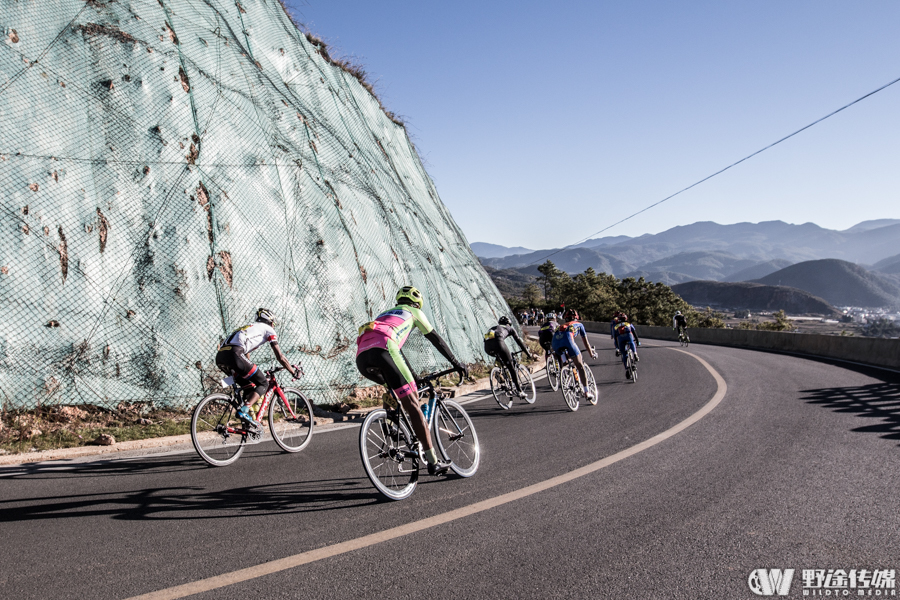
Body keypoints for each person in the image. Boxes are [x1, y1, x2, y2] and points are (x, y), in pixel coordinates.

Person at [355, 286, 466, 476]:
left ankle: (391, 424)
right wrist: (456, 363)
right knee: (413, 404)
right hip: (385, 349)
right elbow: (435, 339)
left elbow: (397, 352)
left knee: (395, 387)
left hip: (362, 356)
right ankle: (433, 462)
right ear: (417, 303)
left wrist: (413, 377)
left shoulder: (384, 314)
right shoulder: (413, 312)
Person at [215, 308, 301, 428]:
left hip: (220, 357)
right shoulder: (268, 329)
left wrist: (250, 366)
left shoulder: (249, 327)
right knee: (263, 383)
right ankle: (243, 411)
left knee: (249, 387)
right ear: (271, 322)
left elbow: (246, 352)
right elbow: (280, 356)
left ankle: (248, 423)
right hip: (235, 354)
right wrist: (293, 371)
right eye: (273, 324)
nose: (273, 326)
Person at [551, 309, 597, 399]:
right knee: (580, 366)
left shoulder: (561, 326)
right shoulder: (579, 325)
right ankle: (587, 392)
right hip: (568, 340)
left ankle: (567, 376)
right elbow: (586, 343)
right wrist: (591, 354)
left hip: (555, 343)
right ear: (577, 318)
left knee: (566, 362)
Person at [484, 315, 534, 398]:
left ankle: (499, 373)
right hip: (498, 342)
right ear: (508, 323)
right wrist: (528, 354)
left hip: (487, 347)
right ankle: (519, 391)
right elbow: (519, 342)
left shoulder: (494, 327)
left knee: (500, 356)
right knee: (511, 366)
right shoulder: (509, 328)